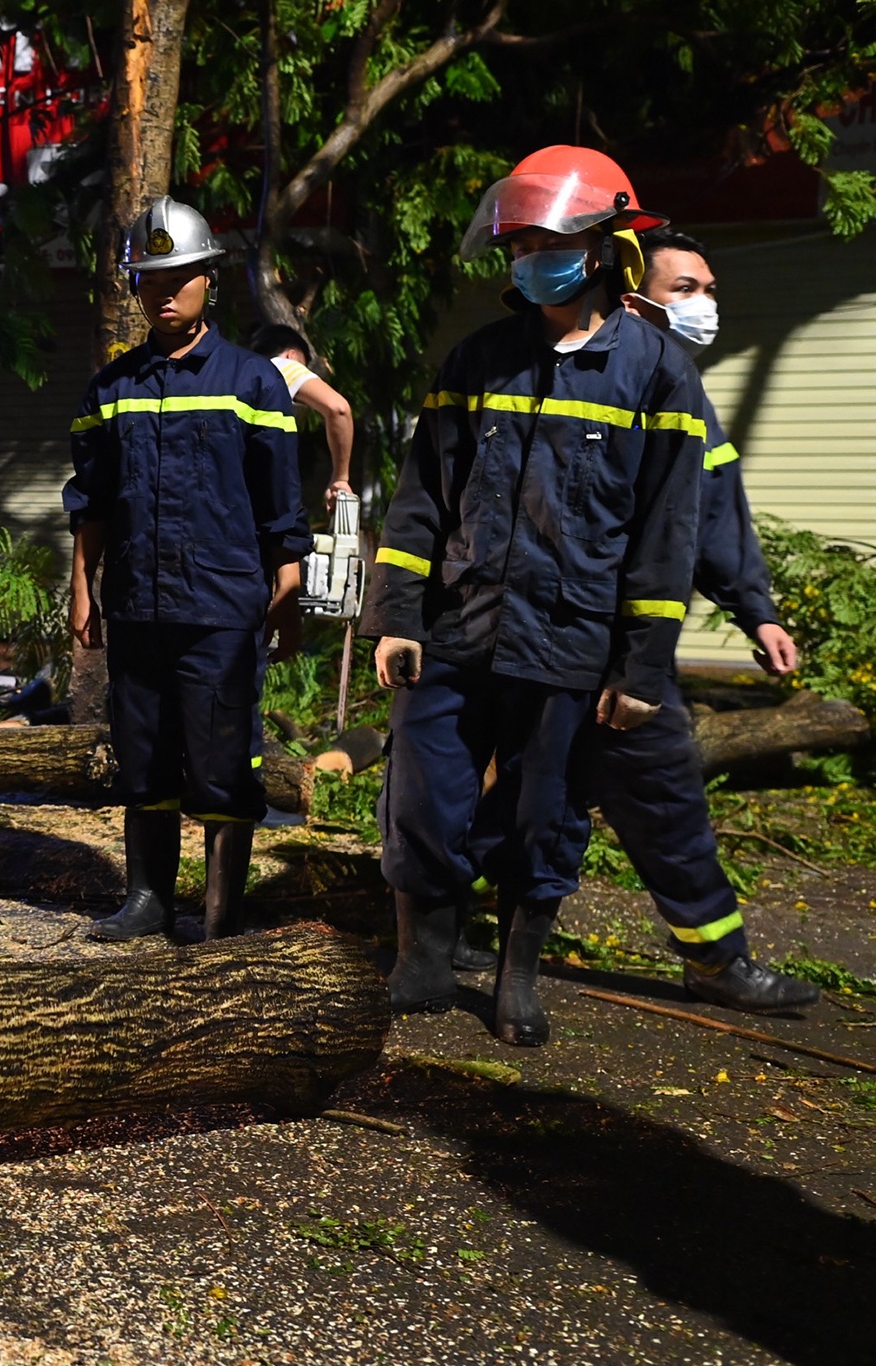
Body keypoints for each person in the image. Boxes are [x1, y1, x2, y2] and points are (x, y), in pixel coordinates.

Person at [368, 146, 706, 1047]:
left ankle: (517, 974)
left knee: (542, 812)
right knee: (423, 796)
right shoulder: (478, 358)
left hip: (568, 640)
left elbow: (667, 533)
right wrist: (397, 618)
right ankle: (423, 956)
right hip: (456, 628)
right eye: (517, 246)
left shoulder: (658, 373)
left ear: (601, 247)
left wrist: (642, 668)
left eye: (545, 244)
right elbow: (420, 499)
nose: (527, 261)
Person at [472, 229, 818, 1013]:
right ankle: (709, 961)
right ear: (631, 298)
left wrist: (756, 611)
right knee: (579, 795)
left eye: (710, 288)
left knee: (604, 793)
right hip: (557, 636)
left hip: (631, 648)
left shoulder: (679, 389)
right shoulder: (564, 378)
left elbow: (712, 519)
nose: (706, 305)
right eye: (685, 289)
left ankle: (710, 956)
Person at [65, 197, 311, 945]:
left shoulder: (253, 382)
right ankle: (146, 899)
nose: (165, 292)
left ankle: (219, 913)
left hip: (222, 609)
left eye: (180, 277)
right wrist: (82, 587)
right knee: (144, 756)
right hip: (138, 604)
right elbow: (92, 500)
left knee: (222, 761)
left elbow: (280, 497)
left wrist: (289, 586)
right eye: (150, 278)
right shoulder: (112, 388)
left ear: (210, 280)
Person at [248, 323, 355, 510]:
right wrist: (340, 478)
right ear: (292, 355)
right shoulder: (281, 366)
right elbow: (339, 409)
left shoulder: (237, 374)